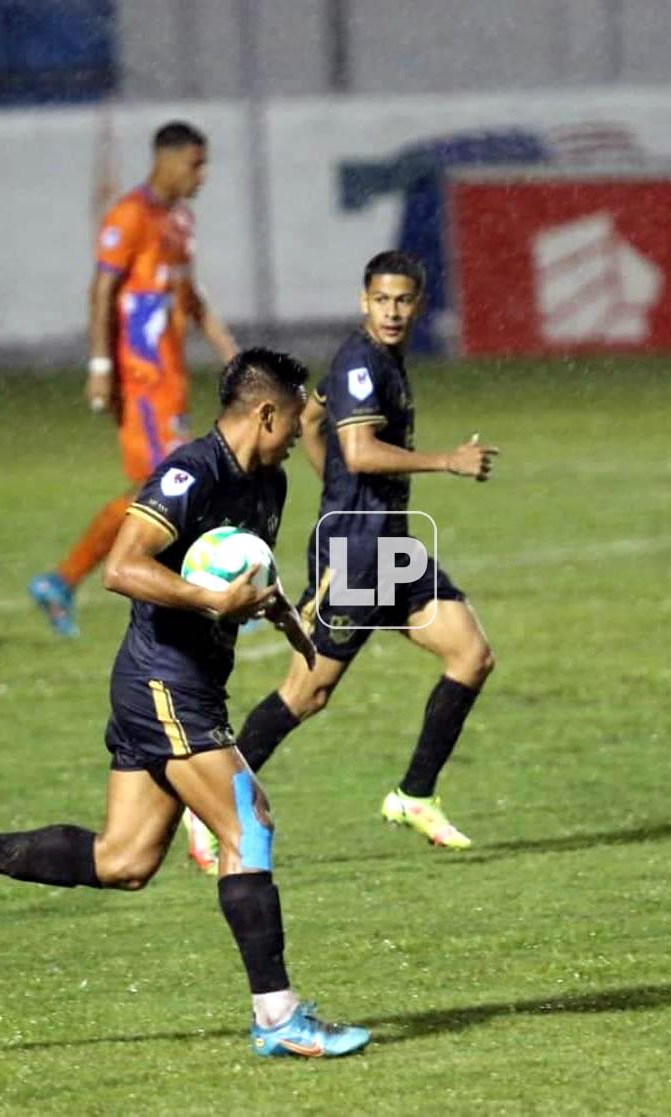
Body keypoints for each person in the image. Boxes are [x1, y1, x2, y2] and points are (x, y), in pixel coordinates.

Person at [0, 348, 371, 1060]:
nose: (302, 428)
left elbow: (249, 569)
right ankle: (278, 1016)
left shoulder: (271, 484)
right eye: (296, 415)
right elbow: (122, 566)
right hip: (162, 681)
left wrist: (288, 618)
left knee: (126, 860)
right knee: (248, 820)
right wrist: (207, 598)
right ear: (266, 411)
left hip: (185, 680)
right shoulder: (190, 472)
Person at [213, 252, 499, 855]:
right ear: (363, 301)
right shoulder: (361, 364)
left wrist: (336, 487)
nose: (392, 311)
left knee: (470, 655)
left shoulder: (379, 360)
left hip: (389, 544)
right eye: (382, 300)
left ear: (416, 304)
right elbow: (363, 451)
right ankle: (209, 805)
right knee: (306, 692)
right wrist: (445, 461)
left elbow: (313, 418)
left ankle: (414, 796)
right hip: (357, 556)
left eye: (403, 300)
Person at [29, 120, 238, 638]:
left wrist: (235, 358)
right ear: (165, 160)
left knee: (166, 490)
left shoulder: (180, 221)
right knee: (175, 487)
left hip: (170, 380)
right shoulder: (130, 215)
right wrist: (101, 366)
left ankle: (62, 581)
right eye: (196, 163)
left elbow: (191, 299)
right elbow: (102, 290)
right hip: (140, 380)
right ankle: (202, 595)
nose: (203, 175)